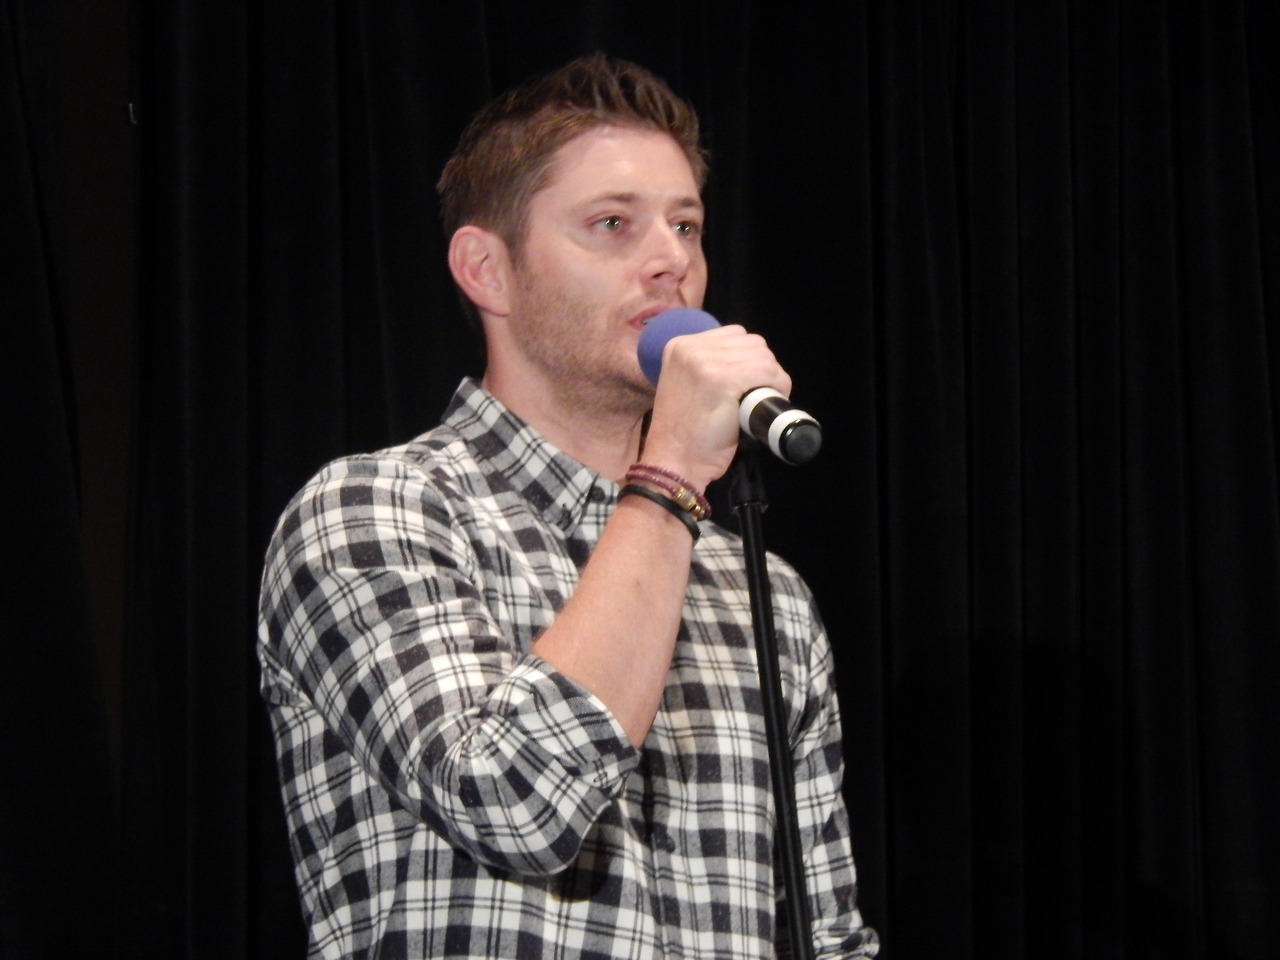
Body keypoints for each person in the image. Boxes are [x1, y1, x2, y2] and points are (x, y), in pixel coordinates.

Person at [258, 53, 879, 959]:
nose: (671, 261)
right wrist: (672, 472)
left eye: (686, 225)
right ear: (487, 271)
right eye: (613, 224)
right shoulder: (373, 513)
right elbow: (514, 805)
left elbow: (826, 936)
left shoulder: (767, 597)